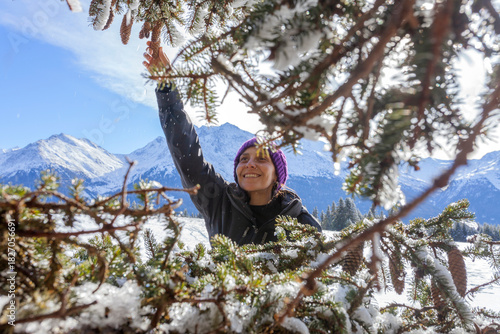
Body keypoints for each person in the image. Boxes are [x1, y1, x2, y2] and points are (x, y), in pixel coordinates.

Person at [144, 42, 321, 245]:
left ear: (277, 176)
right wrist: (168, 88)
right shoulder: (217, 200)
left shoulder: (302, 224)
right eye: (243, 159)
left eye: (262, 158)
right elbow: (185, 149)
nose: (249, 164)